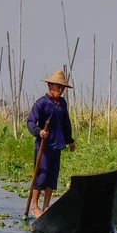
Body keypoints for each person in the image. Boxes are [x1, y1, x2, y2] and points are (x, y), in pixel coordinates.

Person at [26, 70, 76, 217]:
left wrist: (70, 141)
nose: (61, 91)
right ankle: (35, 207)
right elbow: (30, 122)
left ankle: (46, 206)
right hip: (44, 146)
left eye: (63, 88)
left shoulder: (62, 104)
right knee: (41, 174)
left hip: (57, 145)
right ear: (50, 85)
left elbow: (66, 124)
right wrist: (38, 131)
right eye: (58, 87)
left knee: (52, 176)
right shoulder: (41, 103)